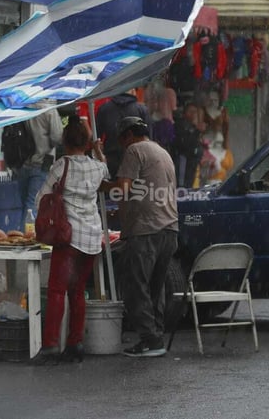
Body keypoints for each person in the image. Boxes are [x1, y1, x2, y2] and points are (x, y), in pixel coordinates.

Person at [30, 115, 109, 365]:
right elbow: (104, 165)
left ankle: (51, 345)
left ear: (65, 142)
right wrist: (97, 151)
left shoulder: (61, 166)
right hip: (92, 236)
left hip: (68, 237)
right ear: (86, 143)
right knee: (78, 292)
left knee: (56, 291)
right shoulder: (98, 168)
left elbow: (41, 198)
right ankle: (75, 344)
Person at [104, 116, 179, 358]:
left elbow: (122, 187)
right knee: (155, 287)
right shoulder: (161, 152)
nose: (123, 145)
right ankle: (155, 335)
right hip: (169, 229)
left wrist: (100, 186)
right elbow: (146, 189)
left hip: (146, 231)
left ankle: (150, 339)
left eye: (122, 140)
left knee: (136, 287)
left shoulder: (135, 150)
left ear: (128, 135)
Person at [15, 109, 62, 230]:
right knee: (33, 205)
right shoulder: (49, 110)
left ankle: (22, 235)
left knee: (25, 203)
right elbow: (57, 137)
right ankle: (27, 237)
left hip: (21, 162)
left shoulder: (22, 106)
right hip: (42, 162)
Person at [95, 89, 150, 178]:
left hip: (111, 161)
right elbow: (148, 137)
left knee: (113, 189)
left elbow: (97, 137)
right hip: (137, 160)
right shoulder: (142, 109)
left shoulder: (104, 109)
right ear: (132, 91)